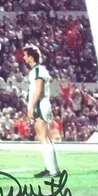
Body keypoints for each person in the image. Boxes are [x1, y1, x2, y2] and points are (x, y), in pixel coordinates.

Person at [23, 44, 61, 178]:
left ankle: (52, 171)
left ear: (31, 56)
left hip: (40, 105)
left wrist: (32, 107)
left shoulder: (38, 70)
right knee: (45, 138)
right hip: (41, 105)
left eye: (25, 55)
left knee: (43, 137)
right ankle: (51, 168)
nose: (23, 57)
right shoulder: (37, 70)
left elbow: (39, 90)